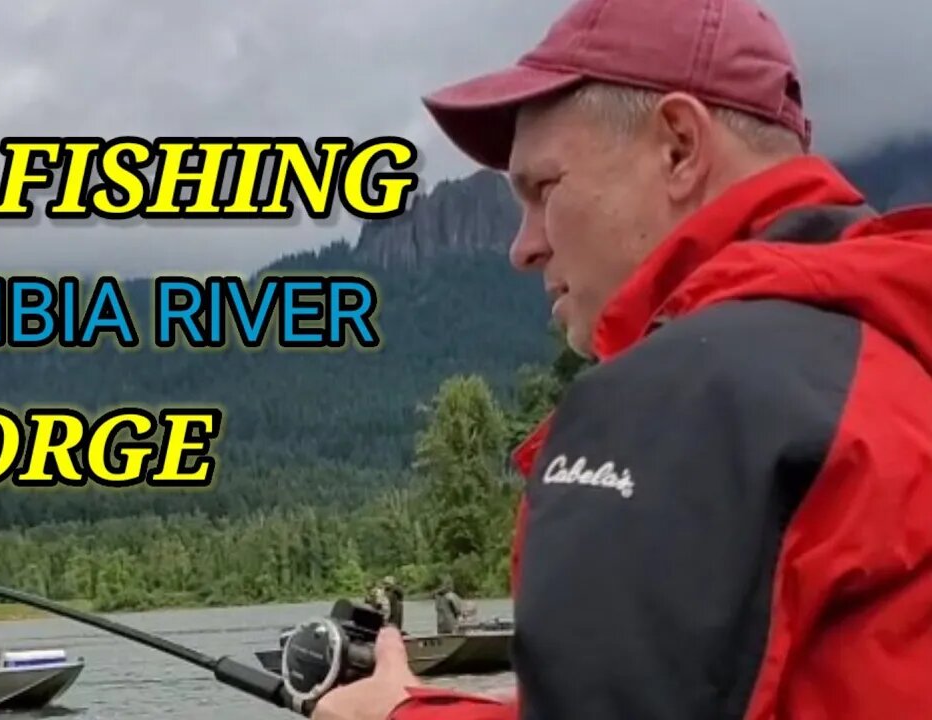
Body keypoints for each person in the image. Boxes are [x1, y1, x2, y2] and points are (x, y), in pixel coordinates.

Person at [310, 0, 932, 718]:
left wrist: (395, 716)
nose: (523, 247)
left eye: (544, 189)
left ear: (678, 148)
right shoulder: (890, 353)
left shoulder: (694, 398)